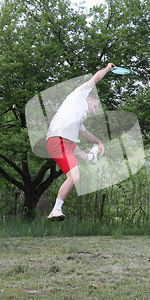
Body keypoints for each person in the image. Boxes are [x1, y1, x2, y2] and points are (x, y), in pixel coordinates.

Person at [46, 63, 115, 221]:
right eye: (95, 106)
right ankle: (56, 209)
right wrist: (107, 69)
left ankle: (91, 157)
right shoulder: (78, 96)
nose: (95, 110)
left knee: (77, 150)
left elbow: (83, 132)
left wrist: (98, 142)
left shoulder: (79, 115)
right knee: (75, 177)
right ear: (89, 99)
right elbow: (96, 78)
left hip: (66, 143)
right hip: (58, 141)